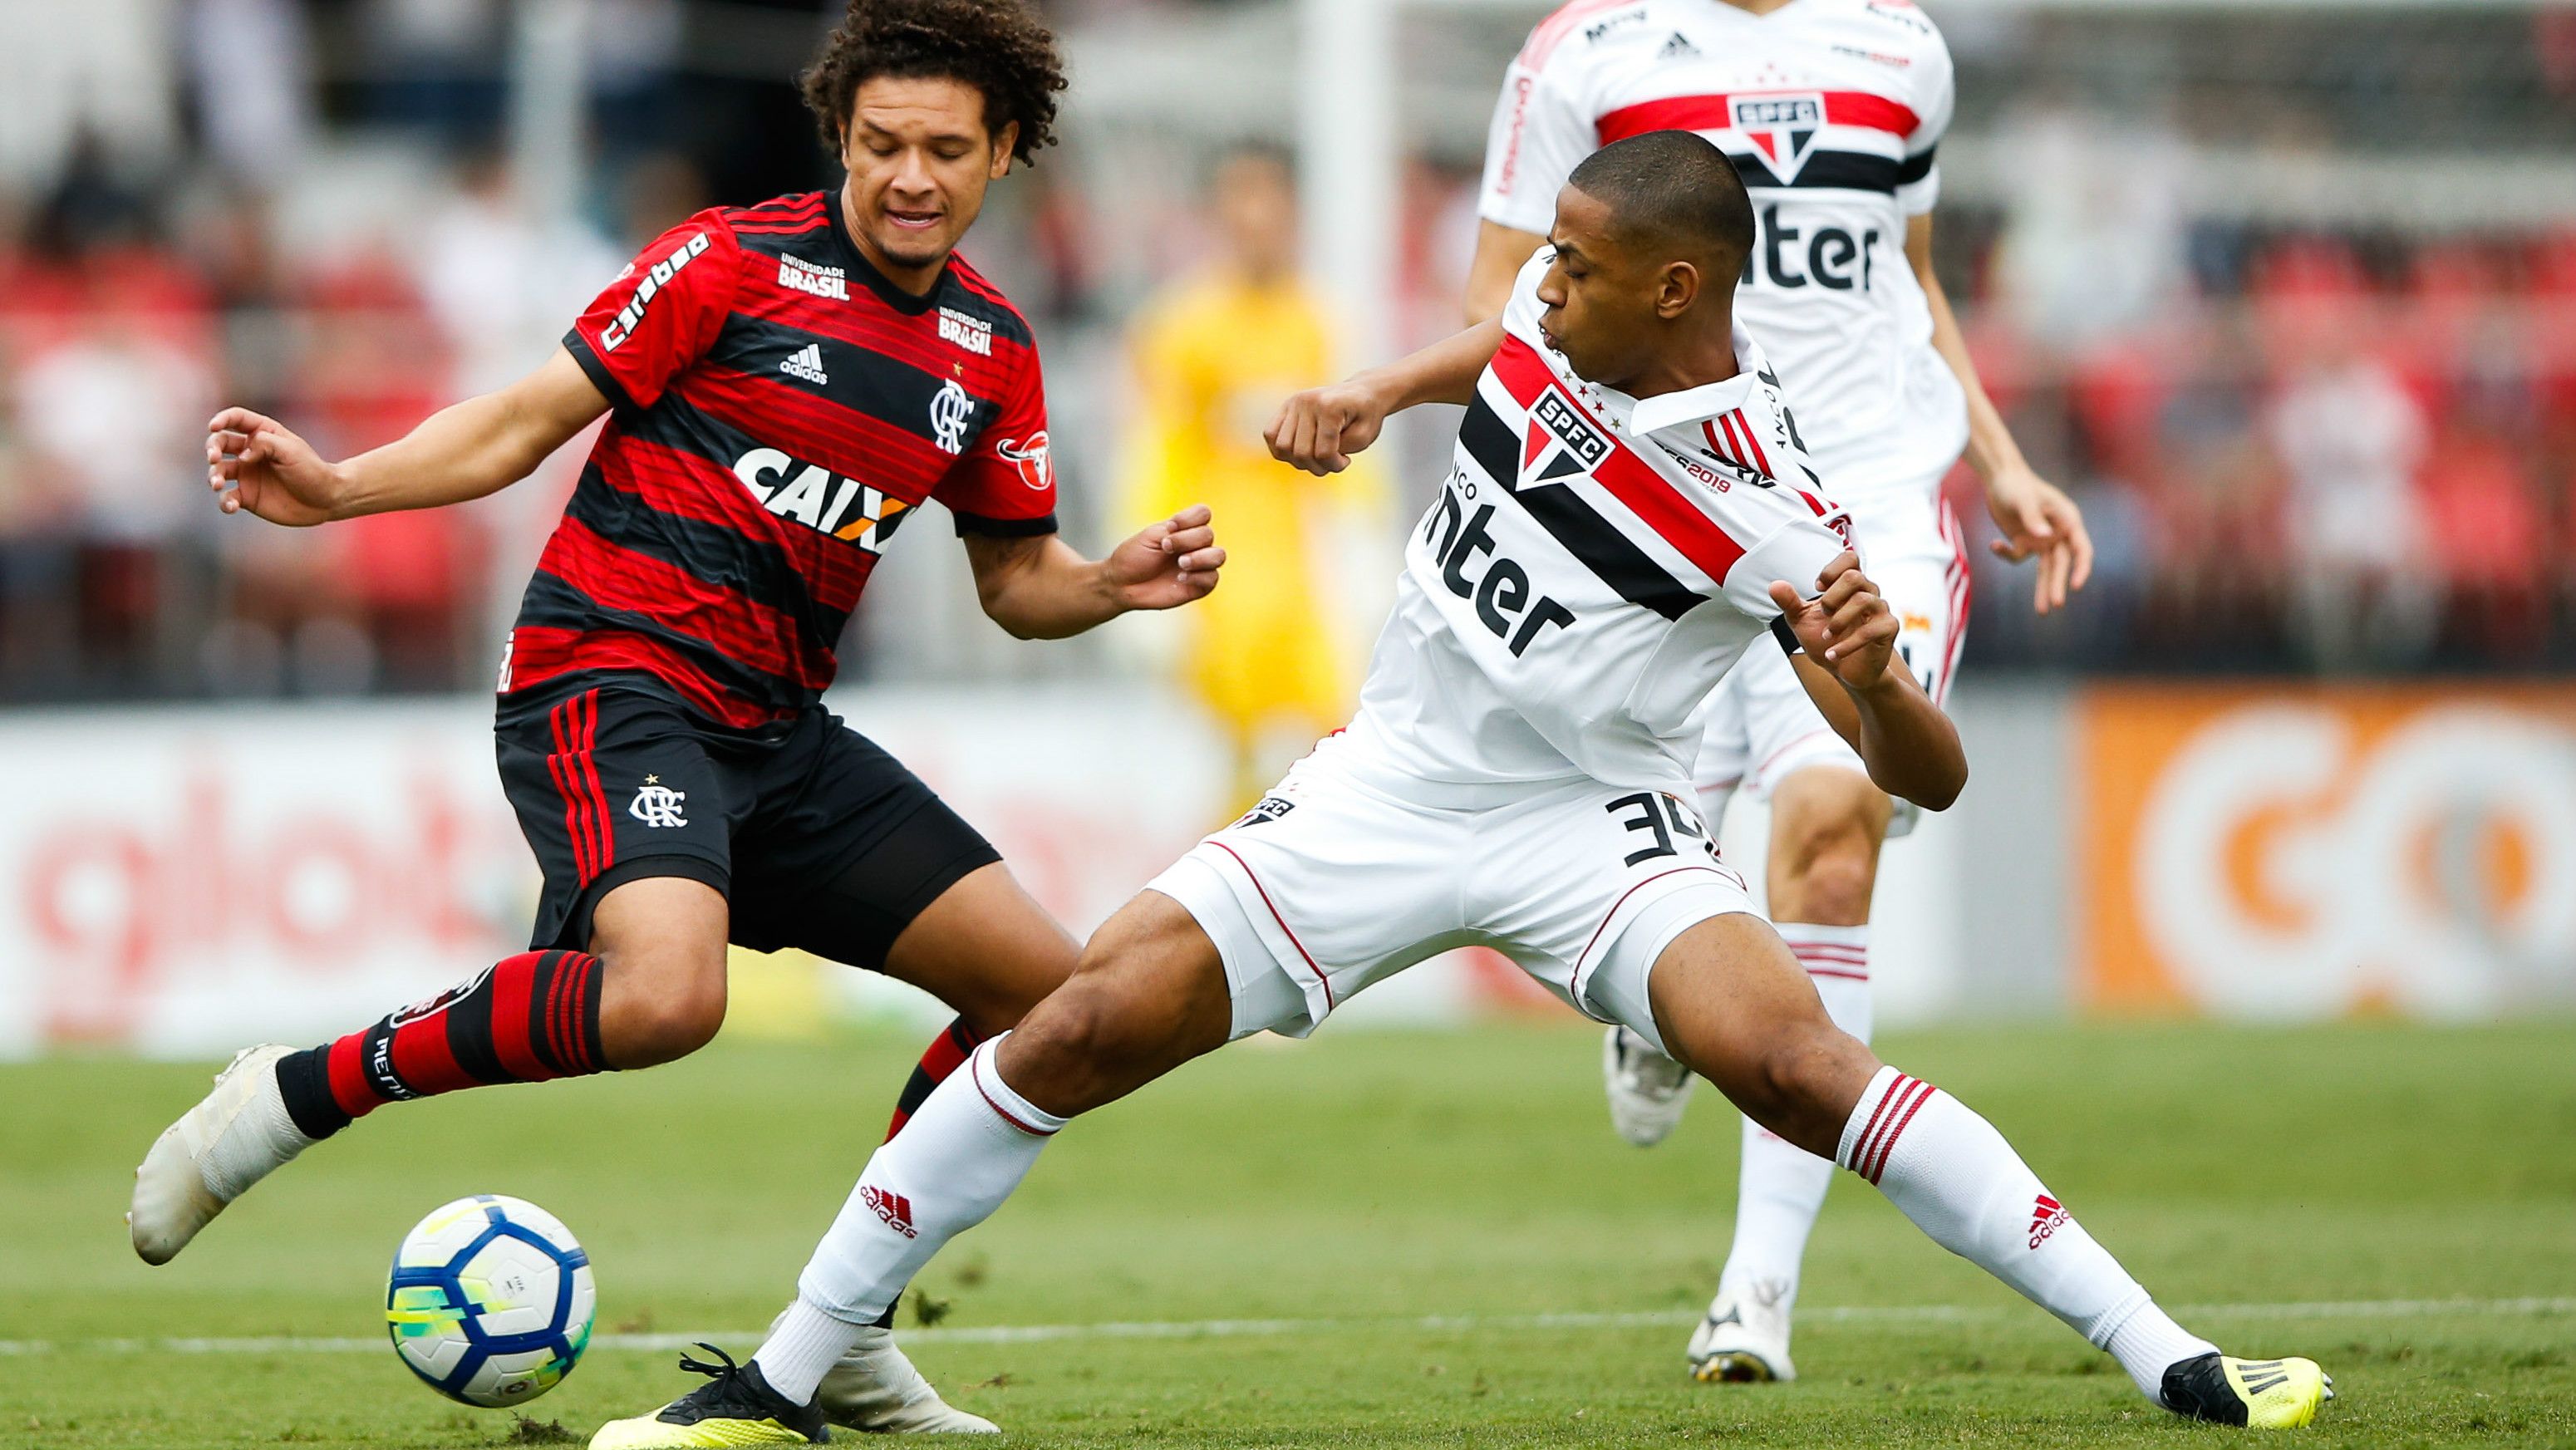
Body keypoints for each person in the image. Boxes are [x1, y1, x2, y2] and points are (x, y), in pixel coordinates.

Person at [587, 132, 2328, 1449]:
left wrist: (1874, 675)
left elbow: (1919, 779)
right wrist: (1365, 390)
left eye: (1570, 261)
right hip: (1384, 789)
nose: (1533, 285)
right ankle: (781, 1376)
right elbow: (1478, 357)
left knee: (1800, 1064)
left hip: (1591, 831)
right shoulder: (1547, 337)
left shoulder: (1770, 504)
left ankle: (2166, 1350)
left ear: (1672, 290)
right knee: (1072, 1022)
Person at [130, 0, 1222, 1433]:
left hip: (782, 732)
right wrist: (340, 489)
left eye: (944, 151)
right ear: (840, 137)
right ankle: (302, 1089)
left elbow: (1017, 581)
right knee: (665, 1003)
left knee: (1056, 1003)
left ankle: (842, 1329)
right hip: (611, 678)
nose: (909, 176)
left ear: (1003, 153)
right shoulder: (729, 261)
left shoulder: (991, 352)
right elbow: (528, 419)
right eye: (881, 143)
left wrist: (1111, 586)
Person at [1464, 0, 2096, 1383]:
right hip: (1668, 486)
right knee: (1656, 871)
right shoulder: (1588, 45)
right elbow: (1504, 294)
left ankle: (1756, 1294)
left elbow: (1907, 283)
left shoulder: (1902, 47)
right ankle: (1658, 1011)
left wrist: (1997, 460)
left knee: (1828, 839)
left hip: (1865, 490)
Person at [1123, 142, 1385, 805]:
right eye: (1240, 204)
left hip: (1306, 565)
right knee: (1227, 751)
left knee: (1317, 740)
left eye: (1268, 203)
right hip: (1218, 563)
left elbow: (1360, 450)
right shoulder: (1182, 327)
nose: (1255, 219)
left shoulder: (1319, 322)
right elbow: (1159, 447)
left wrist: (1365, 537)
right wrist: (1146, 547)